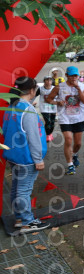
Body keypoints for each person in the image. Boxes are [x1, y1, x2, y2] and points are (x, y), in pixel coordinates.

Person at [2, 77, 50, 234]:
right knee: (24, 190)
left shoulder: (12, 106)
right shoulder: (27, 109)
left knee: (17, 188)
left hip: (14, 155)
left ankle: (19, 219)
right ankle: (27, 222)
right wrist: (38, 159)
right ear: (32, 90)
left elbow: (6, 129)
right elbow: (33, 136)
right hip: (26, 158)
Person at [45, 66, 84, 175]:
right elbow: (48, 99)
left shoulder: (83, 86)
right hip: (65, 117)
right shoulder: (59, 87)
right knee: (68, 140)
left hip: (79, 117)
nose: (74, 78)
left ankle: (74, 154)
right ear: (66, 75)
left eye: (75, 76)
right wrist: (57, 102)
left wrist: (78, 89)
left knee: (78, 143)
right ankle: (70, 165)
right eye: (71, 75)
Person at [38, 75, 57, 142]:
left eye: (50, 80)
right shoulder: (40, 89)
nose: (49, 81)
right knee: (48, 121)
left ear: (52, 81)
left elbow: (60, 97)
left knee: (52, 122)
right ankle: (48, 135)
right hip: (44, 108)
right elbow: (33, 96)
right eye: (47, 80)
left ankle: (50, 133)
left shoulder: (55, 88)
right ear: (44, 81)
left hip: (53, 108)